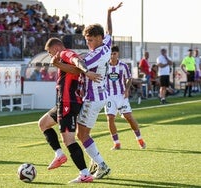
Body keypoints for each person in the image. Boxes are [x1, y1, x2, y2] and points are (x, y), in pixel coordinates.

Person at [38, 37, 101, 183]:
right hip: (65, 102)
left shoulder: (64, 53)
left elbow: (77, 63)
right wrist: (61, 65)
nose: (49, 55)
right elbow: (75, 68)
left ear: (55, 48)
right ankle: (59, 154)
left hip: (68, 101)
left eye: (49, 52)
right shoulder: (63, 58)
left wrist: (86, 72)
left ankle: (84, 174)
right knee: (43, 124)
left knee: (69, 139)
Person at [76, 2, 123, 180]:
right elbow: (110, 32)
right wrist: (109, 13)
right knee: (83, 133)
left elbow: (78, 67)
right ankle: (96, 162)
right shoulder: (106, 45)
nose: (88, 43)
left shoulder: (96, 53)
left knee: (81, 134)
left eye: (91, 40)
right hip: (98, 96)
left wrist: (60, 62)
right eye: (86, 40)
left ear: (99, 38)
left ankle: (101, 165)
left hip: (92, 98)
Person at [104, 45, 146, 150]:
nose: (112, 56)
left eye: (114, 54)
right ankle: (116, 143)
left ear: (118, 54)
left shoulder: (123, 66)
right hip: (109, 96)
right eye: (111, 54)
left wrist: (127, 89)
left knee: (129, 118)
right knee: (110, 118)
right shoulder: (104, 66)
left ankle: (139, 139)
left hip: (121, 96)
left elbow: (128, 79)